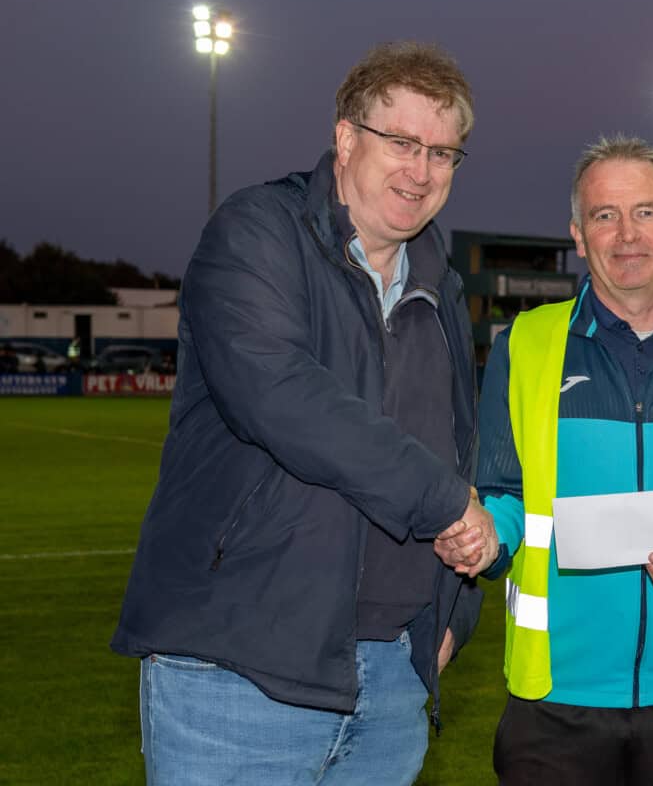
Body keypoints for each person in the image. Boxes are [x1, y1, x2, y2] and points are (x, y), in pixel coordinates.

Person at [111, 42, 497, 785]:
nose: (421, 171)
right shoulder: (257, 232)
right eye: (403, 143)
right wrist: (447, 502)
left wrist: (451, 617)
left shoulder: (440, 283)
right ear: (346, 138)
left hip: (391, 683)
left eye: (443, 153)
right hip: (241, 671)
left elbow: (459, 448)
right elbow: (282, 396)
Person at [438, 135, 653, 785]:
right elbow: (505, 494)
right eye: (605, 214)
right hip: (555, 704)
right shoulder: (526, 346)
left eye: (646, 212)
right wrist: (483, 537)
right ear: (577, 231)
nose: (627, 234)